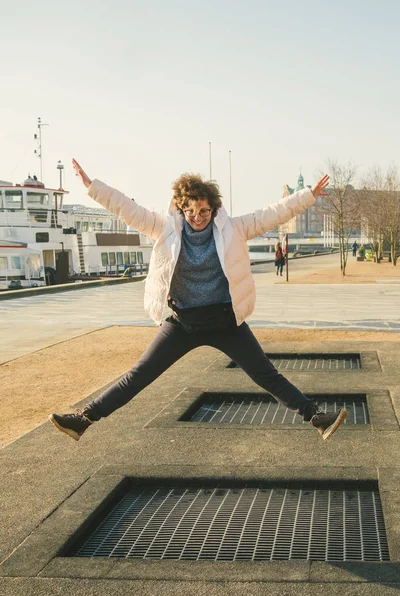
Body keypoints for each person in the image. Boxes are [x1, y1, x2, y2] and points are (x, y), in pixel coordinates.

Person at [49, 162, 347, 442]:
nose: (197, 217)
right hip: (183, 323)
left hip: (225, 322)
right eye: (191, 211)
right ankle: (83, 419)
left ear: (214, 209)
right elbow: (128, 209)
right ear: (181, 208)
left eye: (204, 210)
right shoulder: (164, 228)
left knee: (266, 375)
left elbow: (272, 214)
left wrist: (307, 197)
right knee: (138, 376)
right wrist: (93, 187)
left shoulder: (235, 229)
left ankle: (317, 417)